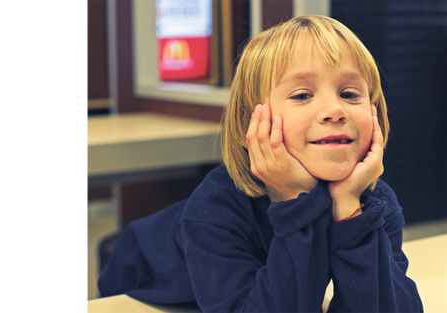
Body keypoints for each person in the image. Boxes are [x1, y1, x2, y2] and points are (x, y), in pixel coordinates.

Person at [98, 15, 423, 312]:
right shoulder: (213, 213)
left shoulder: (373, 200)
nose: (335, 110)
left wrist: (349, 210)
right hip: (135, 267)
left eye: (350, 94)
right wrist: (296, 201)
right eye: (302, 95)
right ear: (247, 124)